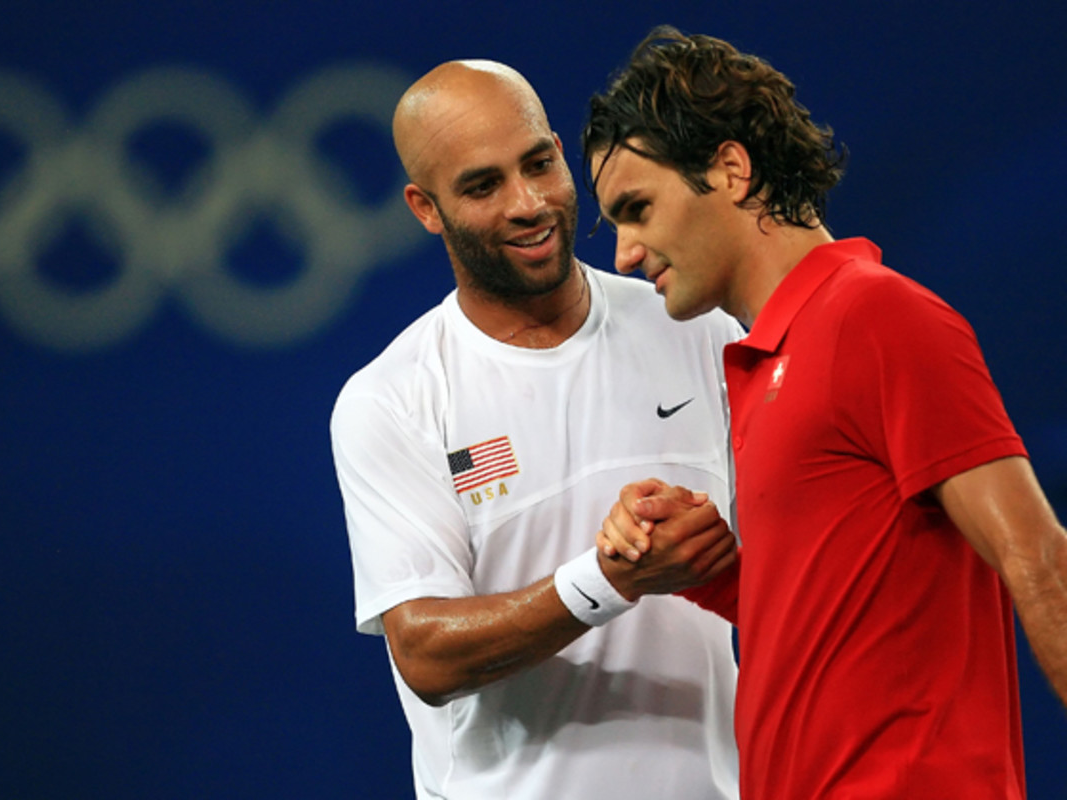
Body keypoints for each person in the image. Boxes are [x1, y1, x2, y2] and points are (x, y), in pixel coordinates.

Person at [583, 25, 1067, 800]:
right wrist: (702, 565)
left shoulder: (875, 315)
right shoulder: (763, 364)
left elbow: (1038, 556)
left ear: (731, 169)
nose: (626, 255)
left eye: (637, 209)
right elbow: (845, 615)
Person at [329, 59, 745, 799]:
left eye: (539, 164)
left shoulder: (699, 331)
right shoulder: (392, 399)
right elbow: (424, 654)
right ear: (426, 208)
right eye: (484, 186)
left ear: (559, 149)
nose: (529, 203)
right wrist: (609, 580)